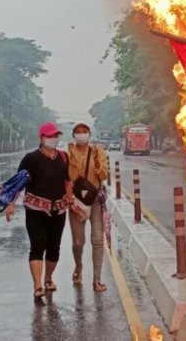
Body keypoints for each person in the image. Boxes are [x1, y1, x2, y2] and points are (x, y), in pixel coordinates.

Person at [5, 122, 75, 300]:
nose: (53, 139)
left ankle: (48, 279)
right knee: (37, 245)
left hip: (58, 210)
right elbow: (19, 182)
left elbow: (67, 181)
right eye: (49, 136)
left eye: (55, 136)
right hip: (35, 209)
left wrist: (70, 200)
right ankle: (37, 285)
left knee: (54, 247)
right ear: (41, 138)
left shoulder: (63, 157)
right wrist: (11, 203)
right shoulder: (31, 158)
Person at [67, 122, 109, 292]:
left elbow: (105, 175)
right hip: (77, 202)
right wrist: (75, 156)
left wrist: (98, 163)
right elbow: (72, 176)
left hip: (96, 201)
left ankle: (97, 278)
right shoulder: (69, 153)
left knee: (98, 239)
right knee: (78, 242)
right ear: (73, 135)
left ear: (90, 134)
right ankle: (78, 267)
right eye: (78, 132)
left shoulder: (98, 152)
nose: (81, 134)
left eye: (84, 132)